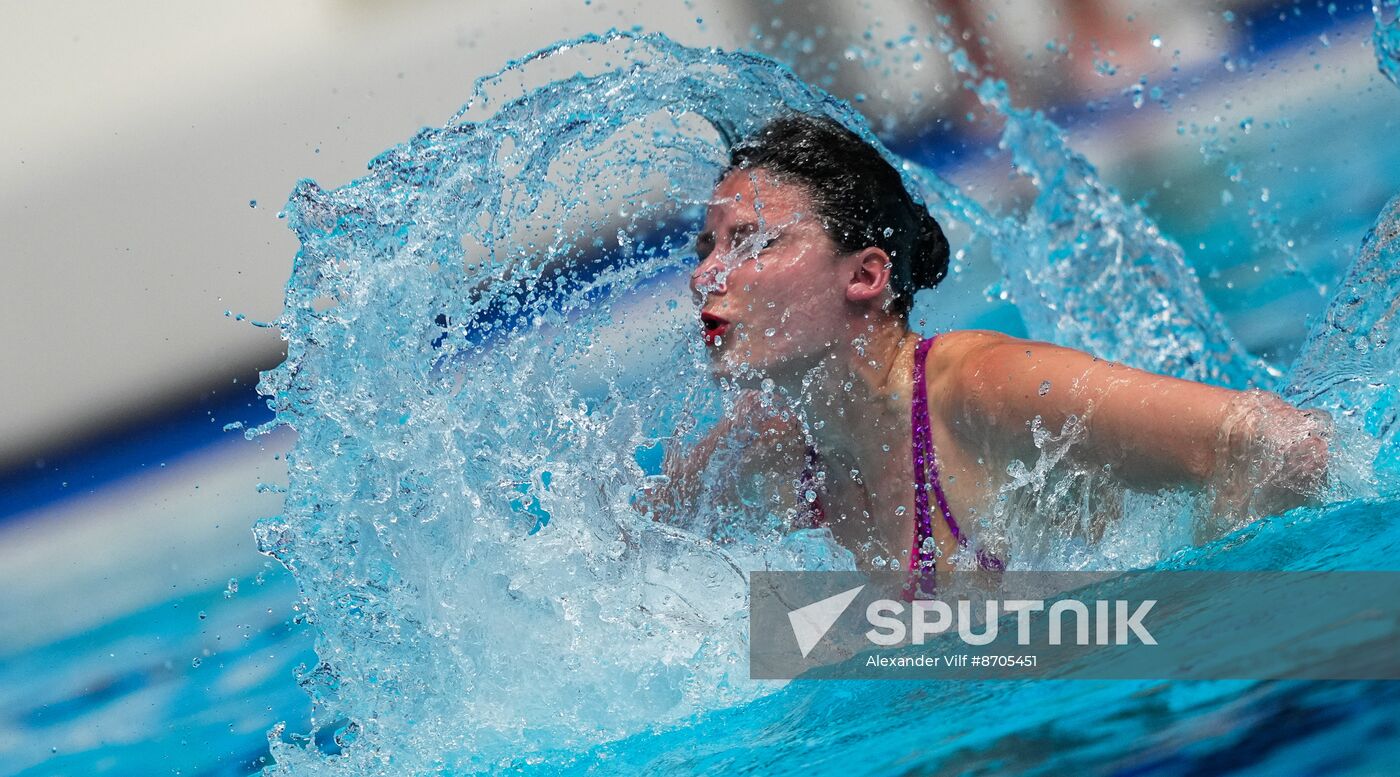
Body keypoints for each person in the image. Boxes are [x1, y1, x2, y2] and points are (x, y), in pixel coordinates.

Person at [641, 113, 1329, 580]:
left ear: (866, 275)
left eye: (751, 242)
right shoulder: (769, 445)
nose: (706, 274)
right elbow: (620, 564)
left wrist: (1187, 622)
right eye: (706, 248)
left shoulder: (980, 389)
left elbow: (1284, 444)